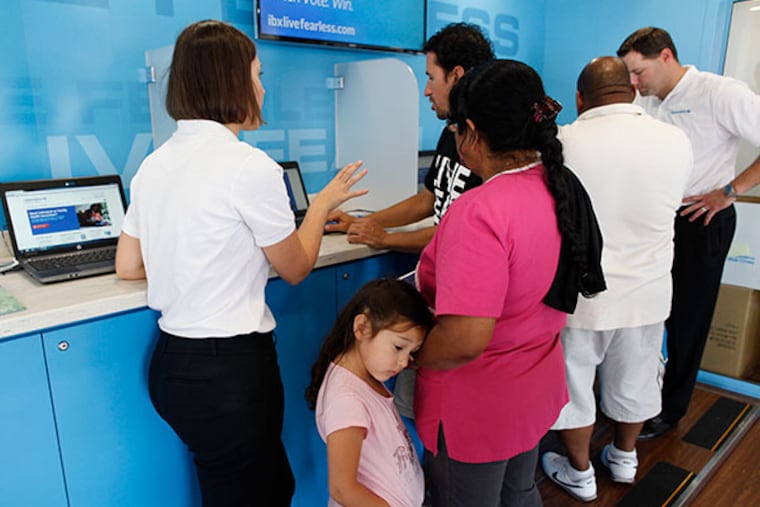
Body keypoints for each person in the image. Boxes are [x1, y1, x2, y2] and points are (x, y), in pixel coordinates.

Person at [114, 20, 367, 507]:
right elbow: (294, 267)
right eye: (257, 74)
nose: (263, 87)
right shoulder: (249, 168)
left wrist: (194, 256)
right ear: (233, 82)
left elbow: (128, 264)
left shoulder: (154, 163)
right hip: (229, 373)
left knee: (245, 486)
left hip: (173, 367)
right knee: (257, 493)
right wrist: (318, 208)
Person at [414, 59, 599, 507]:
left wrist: (413, 356)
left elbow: (464, 339)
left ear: (472, 131)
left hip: (475, 407)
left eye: (456, 130)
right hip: (534, 388)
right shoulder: (560, 186)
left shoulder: (479, 210)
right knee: (519, 491)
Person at [540, 57, 692, 502]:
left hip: (582, 295)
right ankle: (625, 457)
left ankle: (580, 471)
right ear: (633, 92)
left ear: (580, 98)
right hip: (647, 292)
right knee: (636, 379)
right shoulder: (675, 140)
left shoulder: (564, 142)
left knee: (572, 386)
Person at [617, 27, 760, 440]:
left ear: (665, 56)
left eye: (639, 72)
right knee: (645, 315)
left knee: (687, 320)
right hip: (654, 221)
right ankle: (637, 399)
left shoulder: (719, 93)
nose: (634, 83)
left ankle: (670, 410)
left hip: (702, 219)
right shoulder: (645, 100)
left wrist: (731, 191)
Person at [325, 22, 494, 253]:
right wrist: (363, 223)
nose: (426, 90)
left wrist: (385, 239)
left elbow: (461, 231)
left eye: (431, 78)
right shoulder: (451, 132)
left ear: (456, 76)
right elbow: (428, 199)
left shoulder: (492, 148)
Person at [305, 278, 434, 507]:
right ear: (361, 328)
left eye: (411, 352)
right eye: (398, 347)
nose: (404, 362)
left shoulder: (367, 375)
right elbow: (342, 488)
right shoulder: (347, 400)